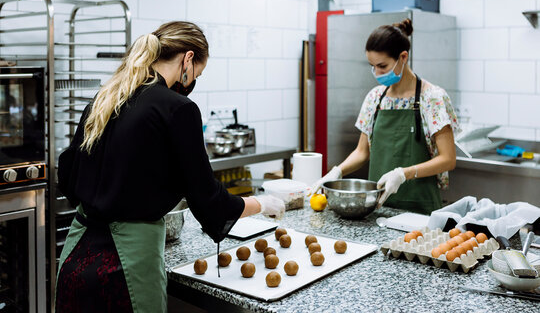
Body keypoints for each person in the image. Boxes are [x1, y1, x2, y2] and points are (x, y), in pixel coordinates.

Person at [55, 21, 285, 313]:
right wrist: (261, 203)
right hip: (125, 266)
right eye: (196, 75)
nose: (190, 83)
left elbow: (68, 170)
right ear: (187, 59)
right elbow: (208, 200)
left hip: (76, 257)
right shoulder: (178, 108)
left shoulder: (107, 97)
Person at [312, 18, 460, 215]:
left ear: (403, 57)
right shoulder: (375, 98)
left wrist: (403, 174)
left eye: (382, 66)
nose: (377, 72)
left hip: (419, 210)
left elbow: (448, 159)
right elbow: (362, 152)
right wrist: (336, 172)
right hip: (378, 208)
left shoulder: (432, 98)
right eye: (372, 66)